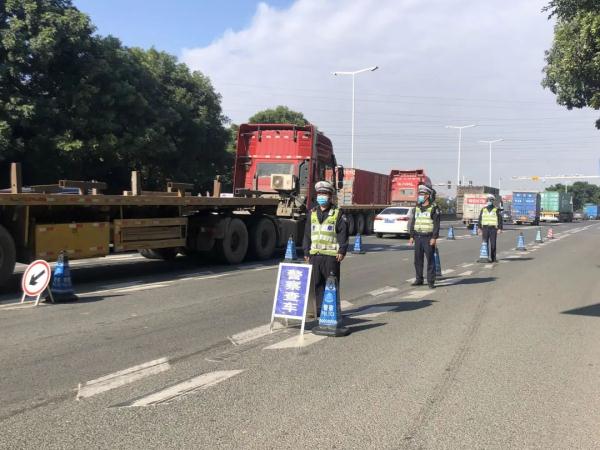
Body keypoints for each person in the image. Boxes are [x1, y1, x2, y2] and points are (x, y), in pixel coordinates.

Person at [303, 180, 348, 315]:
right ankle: (318, 310)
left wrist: (342, 250)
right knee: (316, 283)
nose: (321, 196)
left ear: (330, 196)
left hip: (331, 256)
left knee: (331, 284)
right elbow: (307, 234)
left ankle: (333, 311)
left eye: (324, 194)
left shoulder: (338, 213)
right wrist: (306, 251)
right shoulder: (312, 213)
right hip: (315, 255)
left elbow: (343, 233)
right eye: (319, 194)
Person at [409, 184, 440, 289]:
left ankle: (431, 281)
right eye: (419, 194)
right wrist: (411, 236)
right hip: (417, 237)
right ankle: (419, 279)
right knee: (417, 260)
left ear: (427, 195)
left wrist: (434, 238)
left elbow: (436, 224)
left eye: (422, 194)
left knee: (430, 260)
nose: (420, 196)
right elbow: (413, 222)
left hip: (428, 237)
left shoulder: (434, 208)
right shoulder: (417, 207)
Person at [478, 194, 503, 262]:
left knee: (493, 244)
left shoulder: (496, 210)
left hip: (493, 229)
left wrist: (500, 228)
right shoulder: (483, 209)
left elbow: (500, 219)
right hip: (485, 228)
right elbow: (480, 219)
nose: (489, 201)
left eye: (491, 200)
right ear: (486, 201)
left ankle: (493, 258)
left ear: (493, 201)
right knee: (485, 243)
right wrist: (479, 228)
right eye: (488, 200)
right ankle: (486, 257)